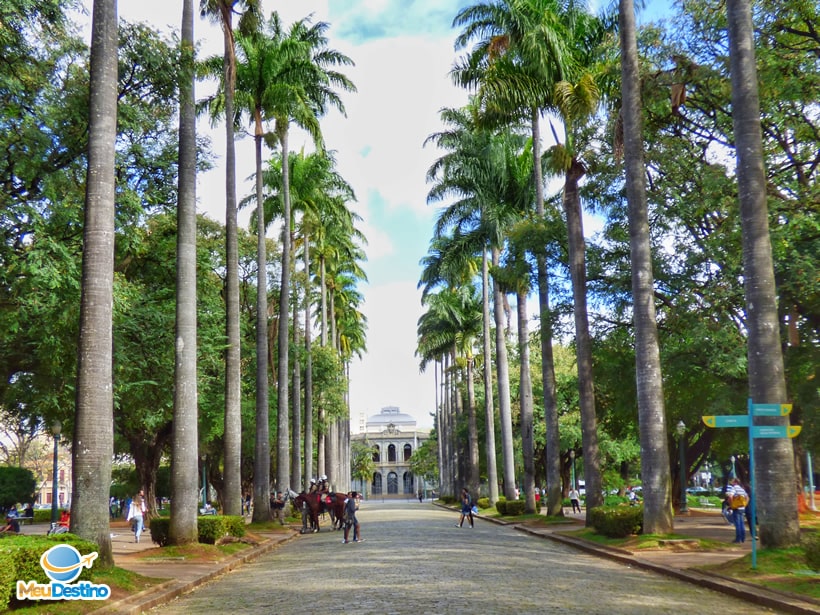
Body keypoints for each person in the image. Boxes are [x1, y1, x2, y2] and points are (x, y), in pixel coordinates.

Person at [726, 478, 748, 544]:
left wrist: (731, 504)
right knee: (742, 523)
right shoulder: (742, 489)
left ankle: (738, 539)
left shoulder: (734, 488)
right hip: (742, 508)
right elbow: (747, 497)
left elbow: (730, 496)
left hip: (736, 508)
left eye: (732, 481)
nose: (731, 482)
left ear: (735, 482)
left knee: (737, 524)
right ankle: (743, 538)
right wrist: (745, 504)